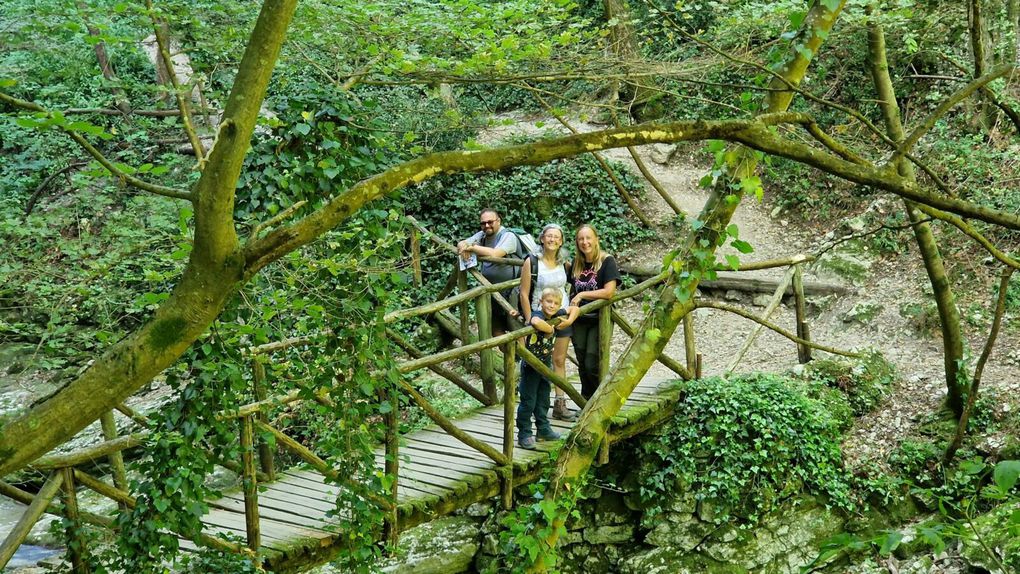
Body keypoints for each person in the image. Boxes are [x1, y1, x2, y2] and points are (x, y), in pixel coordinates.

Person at [519, 223, 578, 421]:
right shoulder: (532, 261)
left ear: (561, 242)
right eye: (549, 236)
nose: (552, 240)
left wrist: (571, 311)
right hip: (539, 317)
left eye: (556, 237)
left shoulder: (565, 262)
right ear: (542, 239)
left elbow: (574, 283)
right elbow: (524, 293)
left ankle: (560, 404)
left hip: (561, 315)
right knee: (537, 362)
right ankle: (535, 408)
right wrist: (529, 319)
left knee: (559, 360)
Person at [517, 288, 577, 450]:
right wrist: (550, 329)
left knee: (543, 398)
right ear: (541, 302)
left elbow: (574, 308)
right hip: (531, 365)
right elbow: (535, 322)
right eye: (548, 302)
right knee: (528, 401)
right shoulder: (538, 315)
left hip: (545, 365)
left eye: (556, 303)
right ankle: (524, 433)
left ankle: (543, 429)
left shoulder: (556, 314)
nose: (552, 305)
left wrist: (569, 320)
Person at [568, 224, 621, 399]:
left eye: (588, 238)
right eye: (581, 239)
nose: (585, 242)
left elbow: (609, 292)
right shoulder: (576, 263)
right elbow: (568, 287)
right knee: (582, 363)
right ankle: (586, 401)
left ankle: (600, 399)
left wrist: (583, 294)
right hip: (579, 320)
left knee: (592, 363)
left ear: (596, 239)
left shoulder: (607, 261)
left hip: (600, 318)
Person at [457, 208, 519, 336]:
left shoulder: (508, 236)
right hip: (491, 291)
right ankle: (509, 355)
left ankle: (521, 356)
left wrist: (472, 247)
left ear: (499, 221)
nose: (486, 225)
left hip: (512, 291)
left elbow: (496, 254)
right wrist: (465, 246)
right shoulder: (482, 235)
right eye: (483, 223)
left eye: (490, 222)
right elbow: (461, 243)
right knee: (496, 330)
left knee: (516, 328)